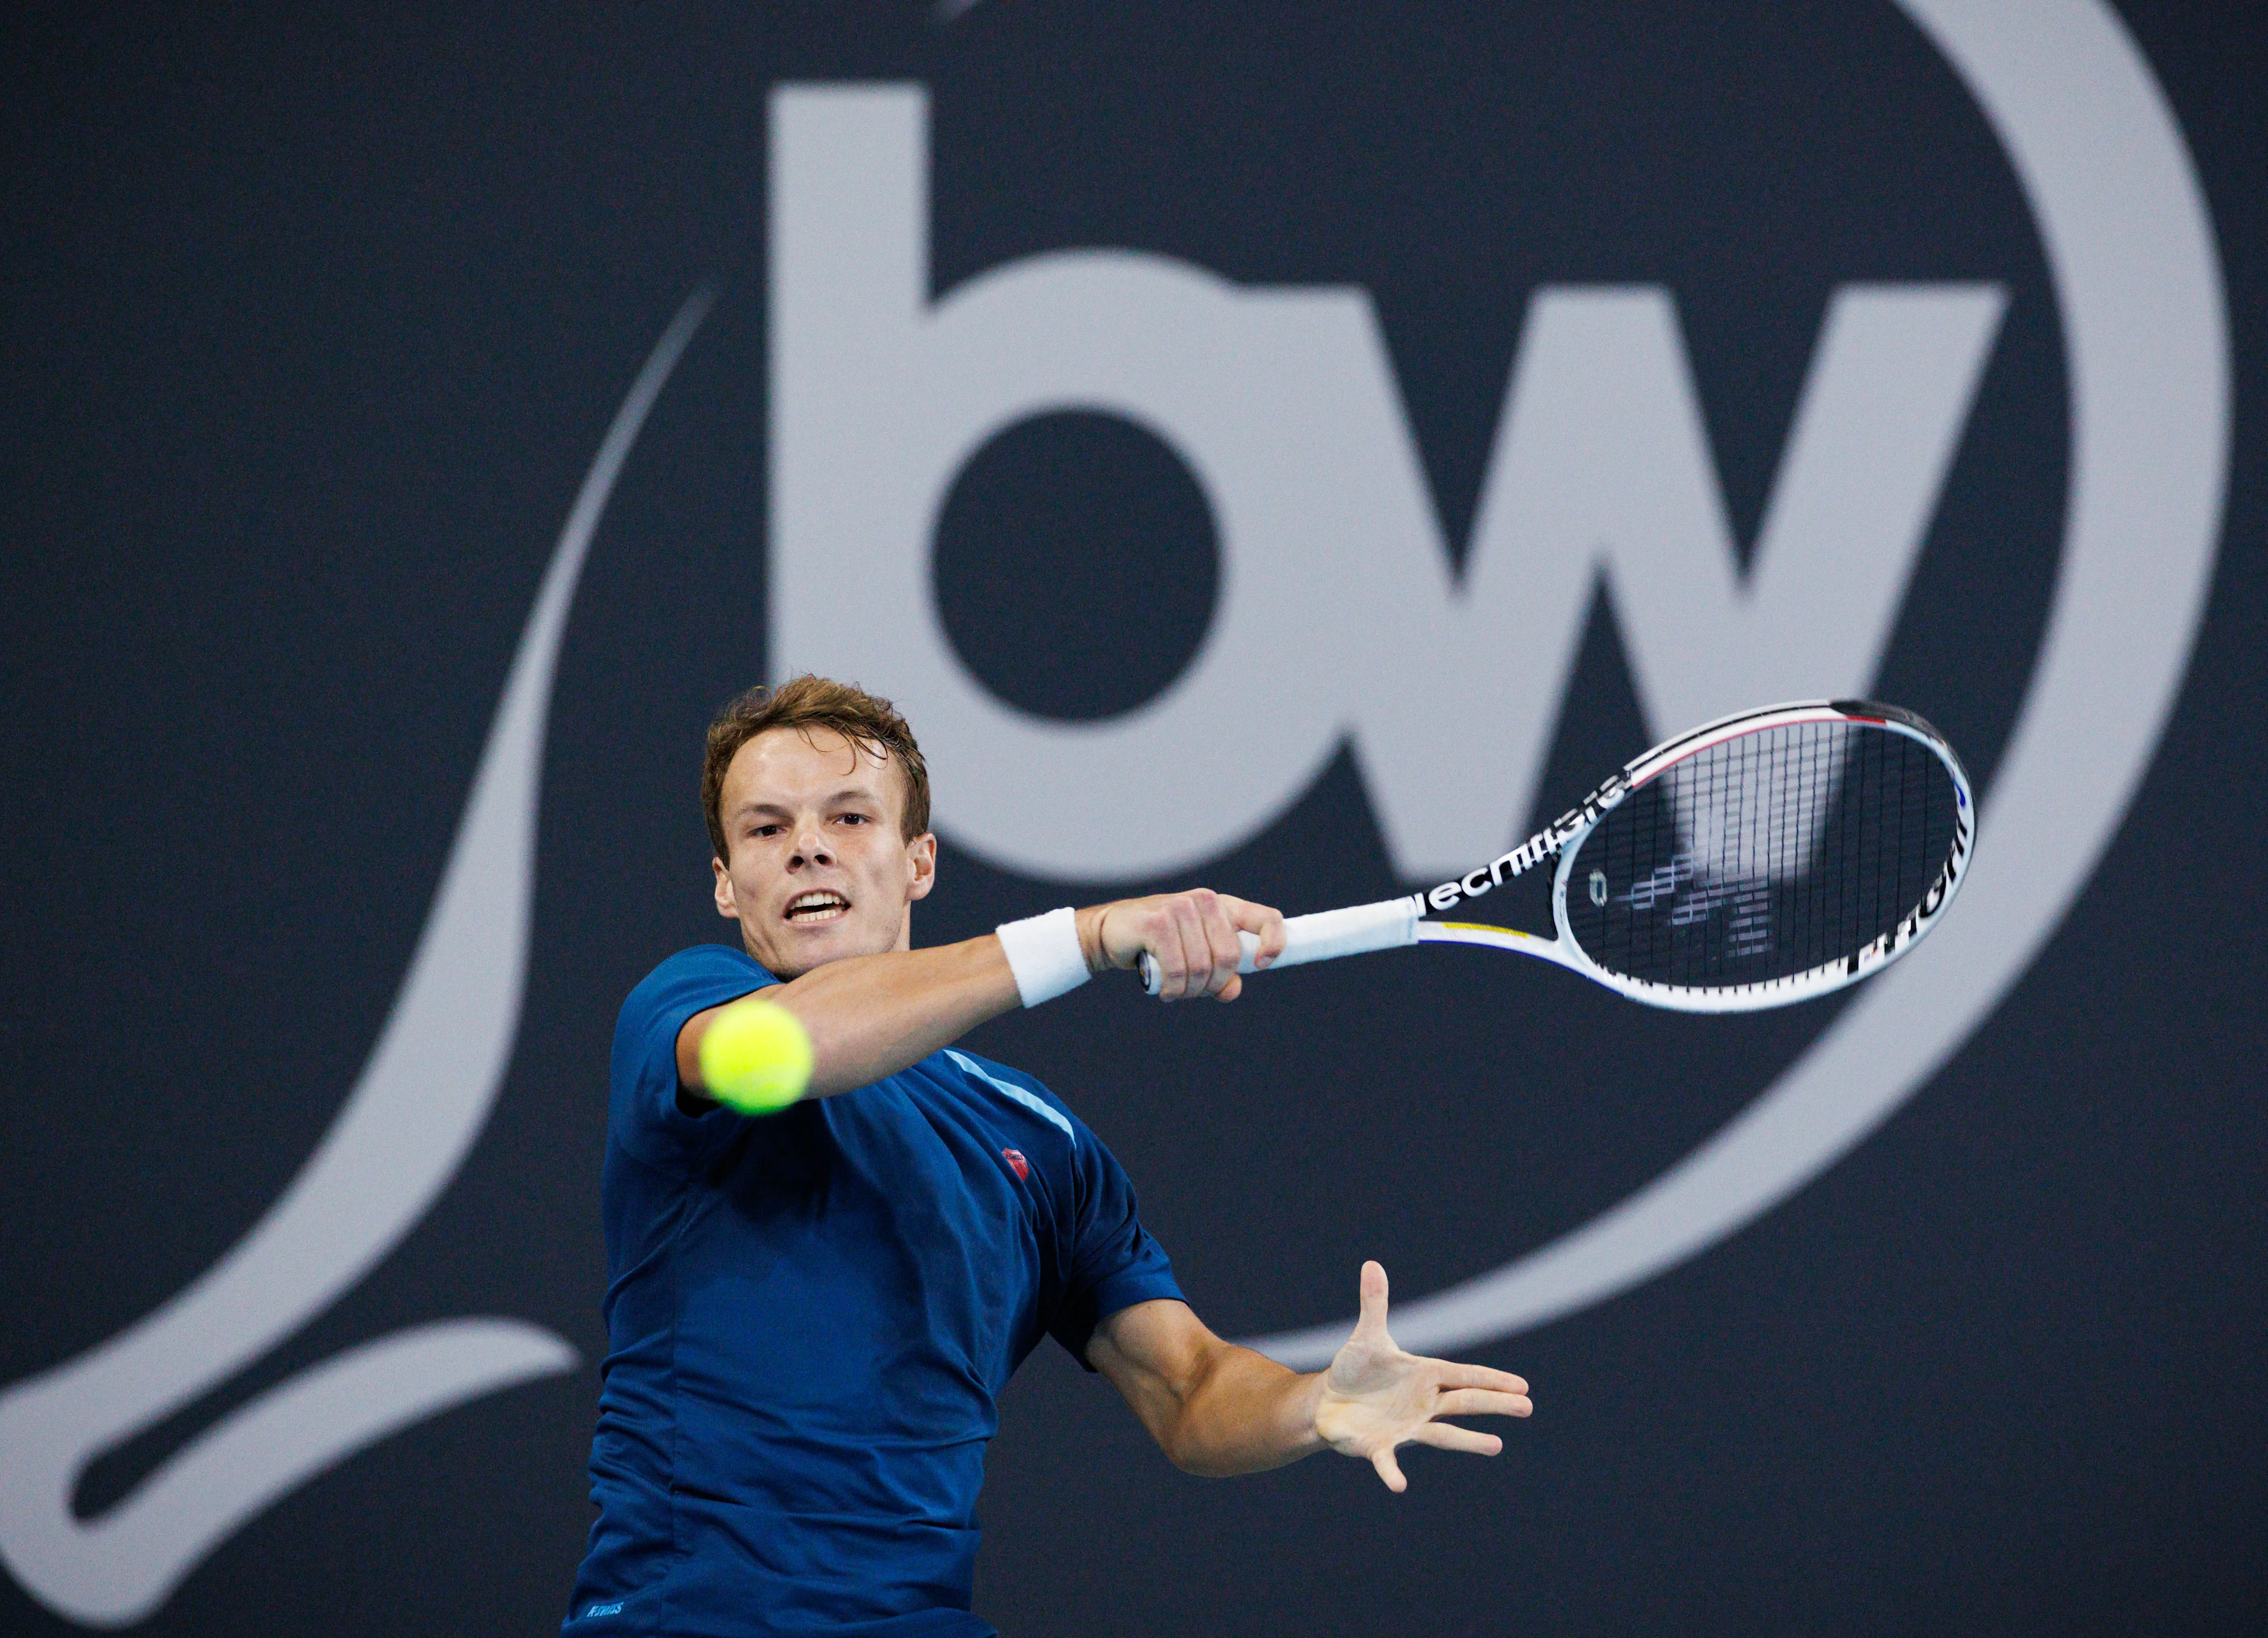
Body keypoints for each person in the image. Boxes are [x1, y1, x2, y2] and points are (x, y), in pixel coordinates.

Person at [565, 676, 1533, 1637]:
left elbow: (1189, 1387)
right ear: (729, 883)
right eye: (766, 828)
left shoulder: (1041, 1142)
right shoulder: (687, 1008)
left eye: (850, 816)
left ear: (919, 861)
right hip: (684, 1618)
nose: (808, 844)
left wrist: (1313, 1404)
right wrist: (1087, 936)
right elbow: (792, 1050)